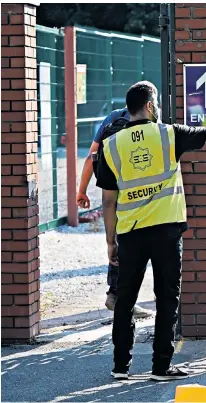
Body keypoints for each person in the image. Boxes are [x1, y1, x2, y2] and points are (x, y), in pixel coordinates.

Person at [96, 81, 206, 380]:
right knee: (166, 296)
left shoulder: (110, 144)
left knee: (125, 298)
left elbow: (107, 199)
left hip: (130, 232)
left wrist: (109, 241)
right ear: (150, 106)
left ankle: (120, 366)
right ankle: (161, 366)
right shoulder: (168, 134)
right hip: (166, 231)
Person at [76, 107, 152, 318]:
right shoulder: (152, 117)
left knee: (118, 242)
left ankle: (114, 293)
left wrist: (81, 190)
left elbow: (92, 155)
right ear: (149, 104)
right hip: (140, 192)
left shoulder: (113, 118)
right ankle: (129, 302)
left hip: (115, 189)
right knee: (143, 246)